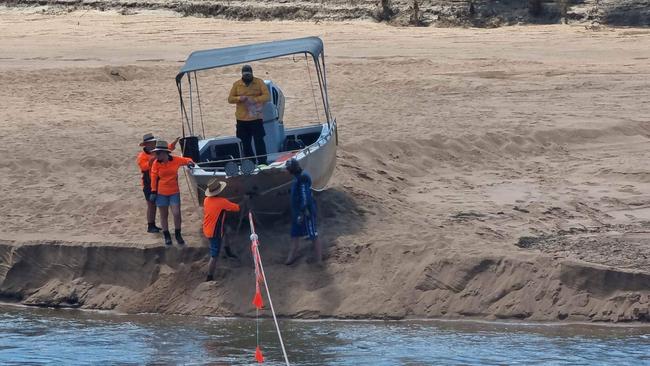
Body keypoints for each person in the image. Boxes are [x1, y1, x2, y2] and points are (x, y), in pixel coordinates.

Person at [149, 140, 194, 245]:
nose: (156, 155)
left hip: (174, 191)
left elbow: (187, 160)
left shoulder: (175, 160)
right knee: (164, 214)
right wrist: (153, 191)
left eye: (158, 153)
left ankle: (178, 233)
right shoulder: (156, 163)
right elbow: (154, 178)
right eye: (156, 153)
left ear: (165, 153)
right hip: (161, 192)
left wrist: (190, 163)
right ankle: (166, 235)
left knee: (176, 213)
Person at [136, 133, 179, 233]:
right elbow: (144, 167)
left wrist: (173, 143)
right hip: (148, 183)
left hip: (157, 182)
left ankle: (153, 225)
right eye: (152, 143)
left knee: (157, 204)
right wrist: (154, 159)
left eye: (154, 143)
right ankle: (150, 225)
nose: (153, 144)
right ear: (146, 144)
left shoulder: (157, 151)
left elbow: (168, 148)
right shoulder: (142, 156)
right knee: (151, 205)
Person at [227, 64, 270, 165]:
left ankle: (262, 162)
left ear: (252, 74)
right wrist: (239, 98)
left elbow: (267, 96)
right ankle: (250, 162)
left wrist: (254, 100)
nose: (247, 76)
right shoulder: (237, 84)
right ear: (242, 74)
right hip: (241, 119)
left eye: (249, 74)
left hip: (256, 117)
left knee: (259, 141)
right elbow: (230, 99)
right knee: (245, 142)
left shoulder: (259, 82)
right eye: (245, 74)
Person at [284, 158, 322, 265]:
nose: (285, 171)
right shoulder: (298, 178)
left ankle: (319, 259)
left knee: (313, 234)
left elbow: (305, 196)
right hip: (298, 212)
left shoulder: (302, 179)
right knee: (295, 234)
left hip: (306, 212)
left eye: (287, 169)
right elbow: (296, 192)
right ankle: (293, 254)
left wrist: (302, 211)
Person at [202, 180, 240, 281]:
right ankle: (209, 276)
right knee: (214, 255)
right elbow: (236, 208)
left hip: (208, 226)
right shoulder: (222, 202)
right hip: (214, 231)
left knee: (226, 231)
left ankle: (228, 251)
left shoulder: (206, 200)